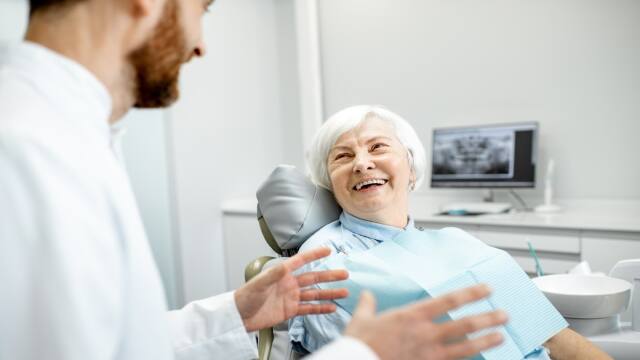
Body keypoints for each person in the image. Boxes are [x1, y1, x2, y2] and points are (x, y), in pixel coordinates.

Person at [0, 1, 509, 360]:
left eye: (379, 148)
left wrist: (233, 314)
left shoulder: (64, 136)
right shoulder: (27, 151)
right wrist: (363, 353)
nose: (199, 46)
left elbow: (112, 344)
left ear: (411, 165)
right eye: (203, 7)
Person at [290, 105, 612, 360]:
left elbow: (552, 336)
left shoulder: (457, 241)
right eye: (343, 156)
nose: (362, 163)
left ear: (411, 167)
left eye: (377, 147)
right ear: (329, 182)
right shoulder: (324, 260)